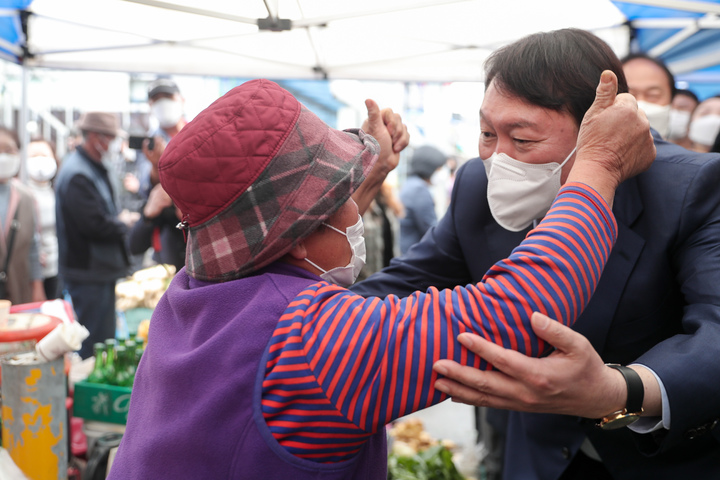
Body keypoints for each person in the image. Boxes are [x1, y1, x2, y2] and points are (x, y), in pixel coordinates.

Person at [106, 77, 654, 479]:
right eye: (344, 201)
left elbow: (293, 256)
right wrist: (598, 163)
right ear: (298, 234)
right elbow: (519, 307)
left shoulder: (191, 294)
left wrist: (358, 181)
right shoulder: (317, 344)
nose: (357, 213)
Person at [353, 28, 720, 479]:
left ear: (598, 126)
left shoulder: (692, 187)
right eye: (488, 133)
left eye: (523, 140)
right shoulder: (475, 185)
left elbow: (714, 333)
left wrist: (618, 389)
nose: (498, 159)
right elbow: (401, 286)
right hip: (538, 460)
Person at [55, 112, 134, 359]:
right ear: (95, 137)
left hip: (99, 269)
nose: (112, 144)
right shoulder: (78, 174)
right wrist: (123, 223)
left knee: (103, 335)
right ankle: (91, 391)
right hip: (88, 270)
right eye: (109, 137)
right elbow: (94, 225)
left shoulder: (96, 166)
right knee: (95, 341)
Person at [0, 127, 46, 305]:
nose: (3, 156)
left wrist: (37, 286)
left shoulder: (26, 197)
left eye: (9, 150)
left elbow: (33, 246)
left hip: (18, 290)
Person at [26, 137, 61, 299]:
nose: (40, 161)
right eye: (33, 156)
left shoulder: (59, 191)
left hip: (58, 268)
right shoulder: (21, 194)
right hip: (32, 271)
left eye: (45, 155)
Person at [398, 145, 447, 254]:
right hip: (414, 254)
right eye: (439, 169)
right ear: (429, 168)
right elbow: (431, 228)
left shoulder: (410, 183)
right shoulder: (419, 190)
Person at [127, 182, 185, 272]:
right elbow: (135, 247)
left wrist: (189, 216)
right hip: (170, 268)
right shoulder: (163, 198)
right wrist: (147, 216)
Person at [621, 52, 675, 138]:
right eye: (630, 95)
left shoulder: (681, 152)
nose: (640, 105)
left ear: (672, 99)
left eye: (653, 95)